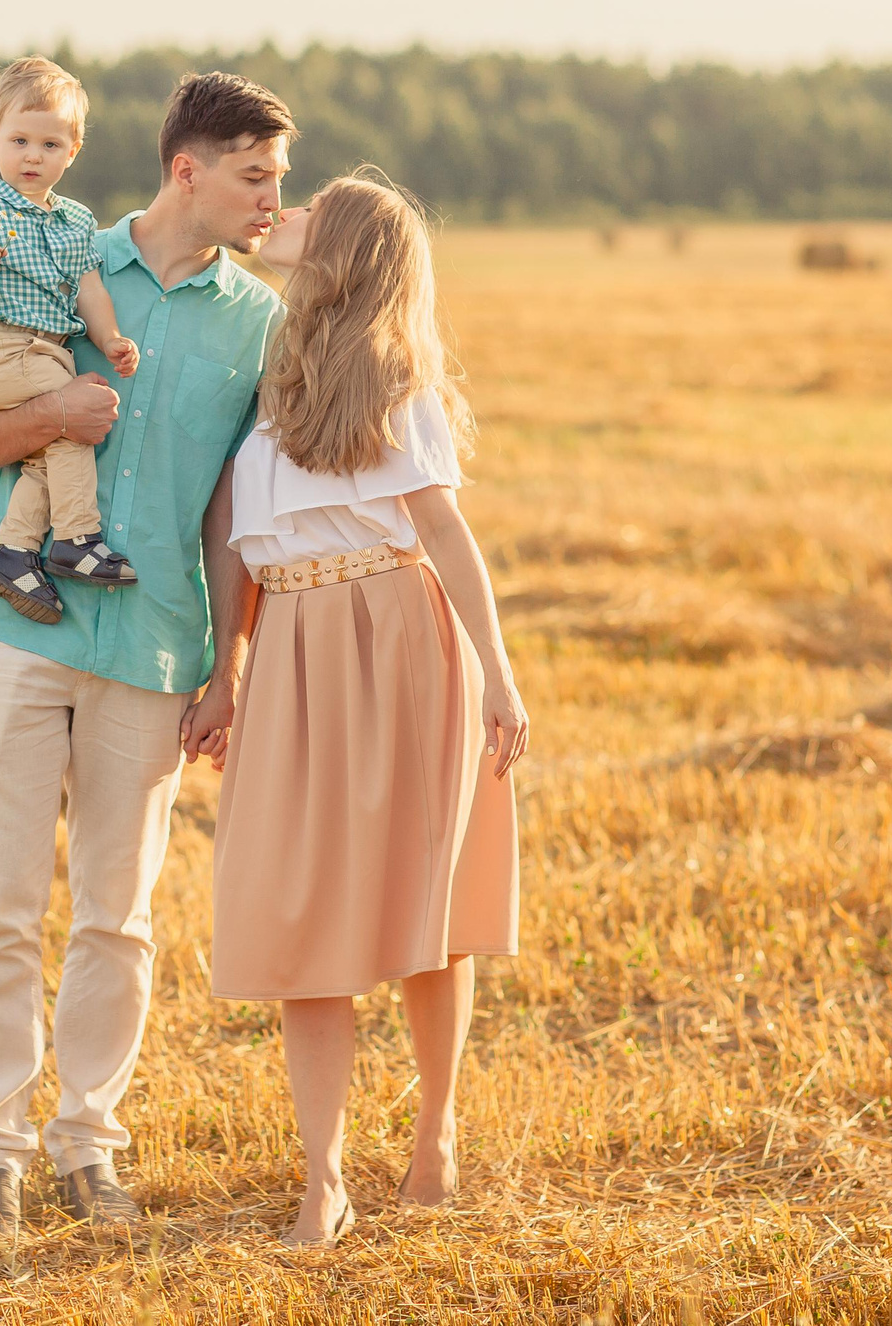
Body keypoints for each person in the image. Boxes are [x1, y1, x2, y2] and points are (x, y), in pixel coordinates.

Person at [0, 72, 297, 1232]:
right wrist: (59, 413)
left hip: (153, 649)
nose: (271, 199)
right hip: (14, 632)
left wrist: (227, 670)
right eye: (255, 174)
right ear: (186, 169)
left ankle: (88, 1145)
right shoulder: (52, 247)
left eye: (278, 178)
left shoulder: (259, 324)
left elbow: (234, 517)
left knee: (115, 918)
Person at [205, 170, 529, 1249]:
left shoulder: (395, 384)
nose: (277, 214)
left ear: (340, 250)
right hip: (293, 652)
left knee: (420, 907)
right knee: (303, 916)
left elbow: (446, 540)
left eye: (303, 210)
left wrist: (500, 674)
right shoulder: (268, 376)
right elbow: (236, 554)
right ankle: (324, 1176)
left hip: (398, 644)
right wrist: (223, 674)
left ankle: (435, 1131)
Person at [0, 57, 142, 623]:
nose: (32, 156)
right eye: (19, 140)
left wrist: (113, 336)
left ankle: (15, 554)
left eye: (50, 145)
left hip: (45, 350)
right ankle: (77, 538)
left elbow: (90, 291)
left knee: (50, 453)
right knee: (70, 414)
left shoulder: (76, 222)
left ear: (71, 152)